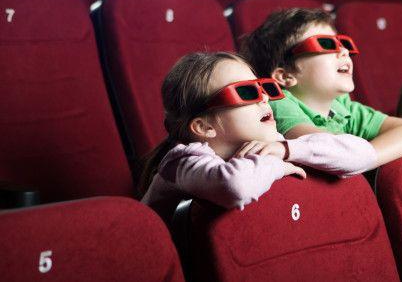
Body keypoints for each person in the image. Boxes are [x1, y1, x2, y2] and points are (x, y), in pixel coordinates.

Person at [139, 51, 378, 223]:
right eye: (246, 92)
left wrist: (287, 149)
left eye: (264, 88)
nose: (264, 98)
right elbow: (235, 186)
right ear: (204, 126)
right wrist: (276, 163)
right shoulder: (181, 161)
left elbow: (365, 154)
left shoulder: (272, 144)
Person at [242, 8, 402, 168]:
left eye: (344, 43)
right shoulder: (279, 104)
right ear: (285, 76)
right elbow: (327, 147)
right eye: (326, 44)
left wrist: (364, 158)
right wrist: (365, 155)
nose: (344, 51)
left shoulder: (343, 107)